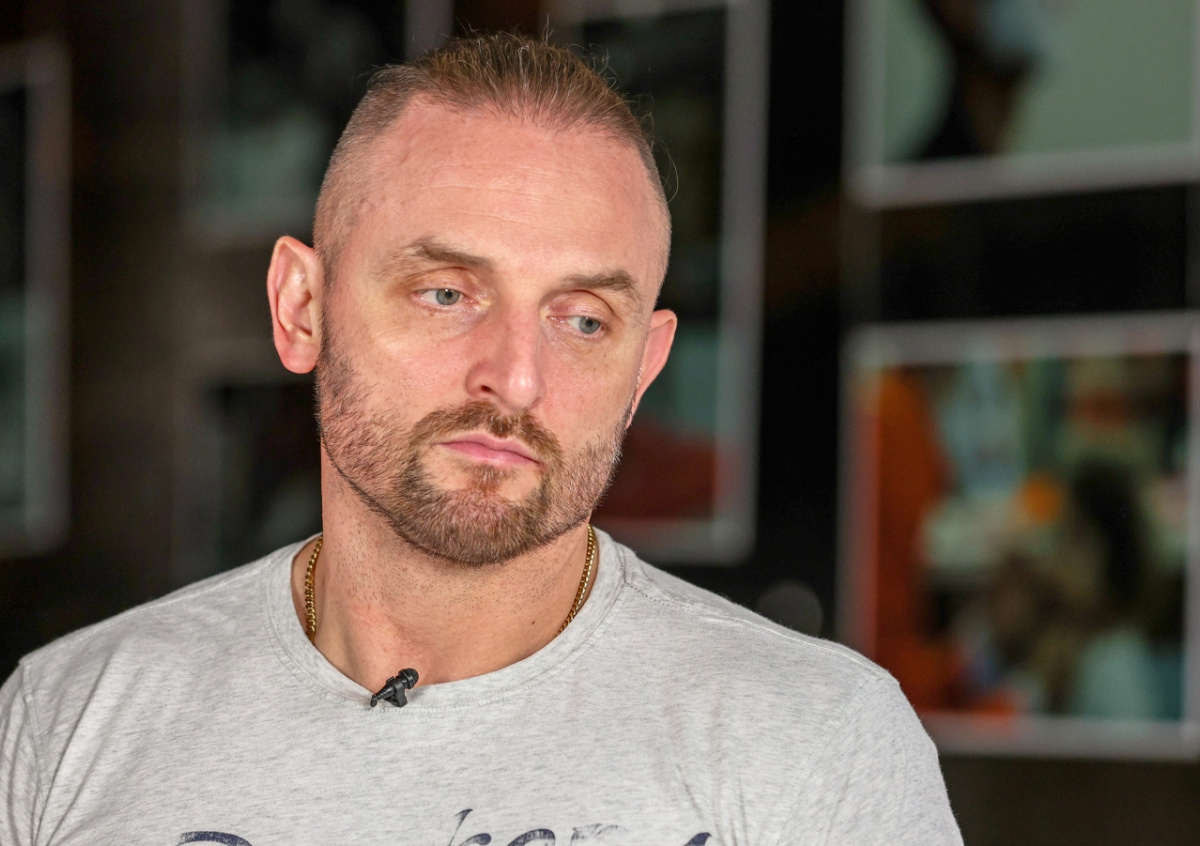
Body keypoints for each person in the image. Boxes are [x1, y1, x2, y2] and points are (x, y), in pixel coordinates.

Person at [0, 34, 962, 845]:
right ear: (302, 309)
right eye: (447, 293)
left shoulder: (816, 743)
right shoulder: (66, 720)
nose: (517, 377)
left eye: (582, 319)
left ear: (643, 370)